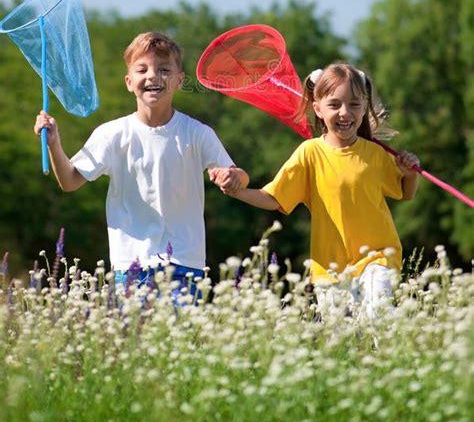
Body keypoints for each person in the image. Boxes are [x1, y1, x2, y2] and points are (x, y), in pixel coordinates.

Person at [34, 31, 249, 297]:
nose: (152, 76)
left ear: (179, 80)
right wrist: (54, 143)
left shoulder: (197, 133)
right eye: (142, 69)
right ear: (128, 81)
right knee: (136, 338)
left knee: (179, 338)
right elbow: (69, 181)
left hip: (184, 262)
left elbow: (239, 175)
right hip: (131, 265)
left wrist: (234, 177)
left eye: (164, 69)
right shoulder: (112, 134)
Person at [218, 63, 419, 318]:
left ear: (364, 108)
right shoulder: (309, 153)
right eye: (334, 105)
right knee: (343, 345)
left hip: (378, 259)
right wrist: (238, 192)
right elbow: (273, 198)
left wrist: (410, 173)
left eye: (355, 104)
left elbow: (406, 192)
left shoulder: (376, 154)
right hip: (330, 268)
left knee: (378, 316)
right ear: (318, 109)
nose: (345, 112)